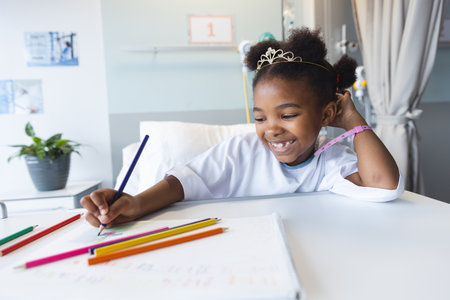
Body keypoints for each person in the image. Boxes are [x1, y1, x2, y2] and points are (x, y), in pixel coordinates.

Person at [81, 27, 404, 228]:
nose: (272, 129)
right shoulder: (240, 151)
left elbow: (383, 186)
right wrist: (135, 203)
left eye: (287, 115)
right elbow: (182, 183)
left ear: (326, 114)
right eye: (261, 117)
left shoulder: (332, 160)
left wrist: (353, 119)